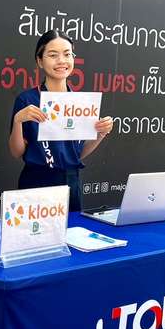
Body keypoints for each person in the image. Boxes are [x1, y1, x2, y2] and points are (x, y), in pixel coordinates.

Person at [9, 30, 113, 211]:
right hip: (36, 182)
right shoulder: (27, 100)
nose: (62, 61)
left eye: (67, 54)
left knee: (71, 235)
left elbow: (76, 154)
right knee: (36, 237)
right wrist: (18, 121)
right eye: (53, 55)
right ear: (40, 61)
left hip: (71, 183)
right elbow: (17, 152)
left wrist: (100, 134)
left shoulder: (80, 103)